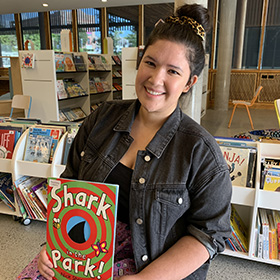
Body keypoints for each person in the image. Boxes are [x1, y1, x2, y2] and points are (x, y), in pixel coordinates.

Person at [38, 3, 232, 280]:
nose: (155, 79)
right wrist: (56, 247)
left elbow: (209, 234)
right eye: (150, 63)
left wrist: (145, 279)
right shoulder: (101, 118)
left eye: (173, 71)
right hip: (83, 257)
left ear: (190, 82)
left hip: (153, 270)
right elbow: (71, 186)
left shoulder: (201, 152)